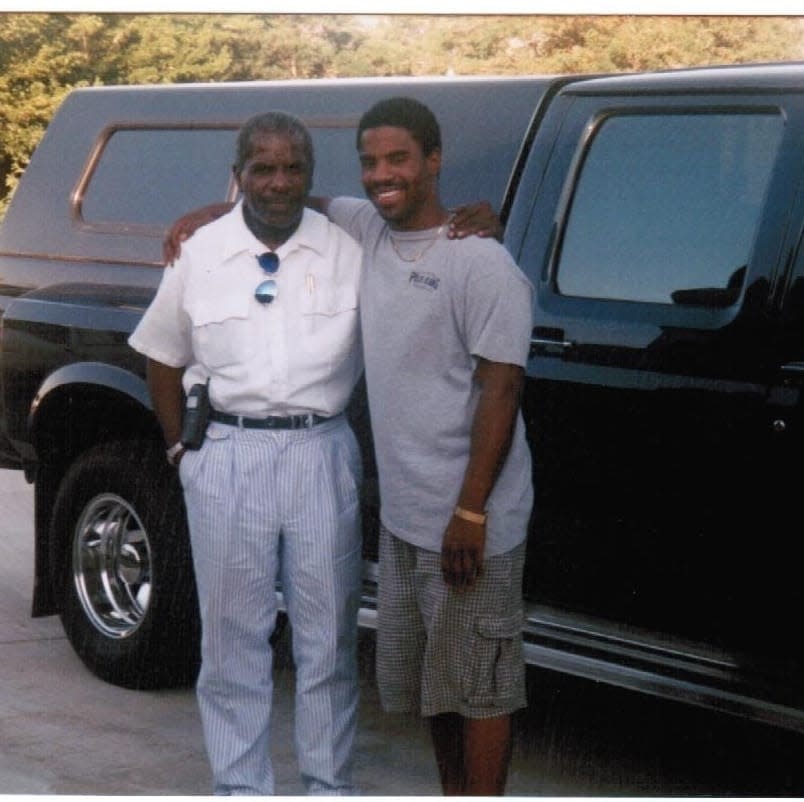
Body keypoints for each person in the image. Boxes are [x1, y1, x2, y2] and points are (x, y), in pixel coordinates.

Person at [163, 98, 531, 796]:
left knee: (480, 684)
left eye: (399, 158)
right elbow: (290, 197)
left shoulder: (479, 262)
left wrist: (473, 512)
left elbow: (502, 391)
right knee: (437, 682)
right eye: (370, 161)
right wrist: (216, 213)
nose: (381, 174)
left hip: (466, 517)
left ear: (434, 160)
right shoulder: (367, 226)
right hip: (404, 517)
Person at [129, 111, 365, 795]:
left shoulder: (345, 248)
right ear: (240, 175)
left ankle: (328, 784)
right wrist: (182, 453)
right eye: (263, 167)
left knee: (327, 641)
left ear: (311, 177)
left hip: (322, 454)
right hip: (229, 458)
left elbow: (419, 242)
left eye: (293, 167)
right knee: (233, 642)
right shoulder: (200, 252)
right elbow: (163, 358)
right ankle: (242, 787)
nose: (279, 182)